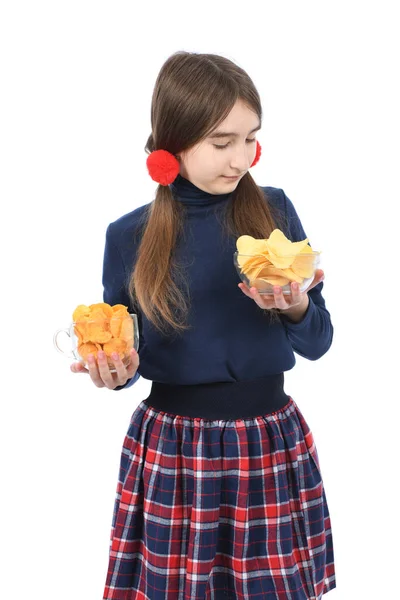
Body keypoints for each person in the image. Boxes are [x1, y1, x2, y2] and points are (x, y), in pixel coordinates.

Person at [71, 51, 336, 599]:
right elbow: (127, 363)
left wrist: (294, 306)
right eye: (222, 142)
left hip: (267, 438)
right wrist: (113, 371)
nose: (240, 158)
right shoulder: (130, 238)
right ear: (172, 144)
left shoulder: (275, 213)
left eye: (250, 139)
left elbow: (319, 341)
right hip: (174, 449)